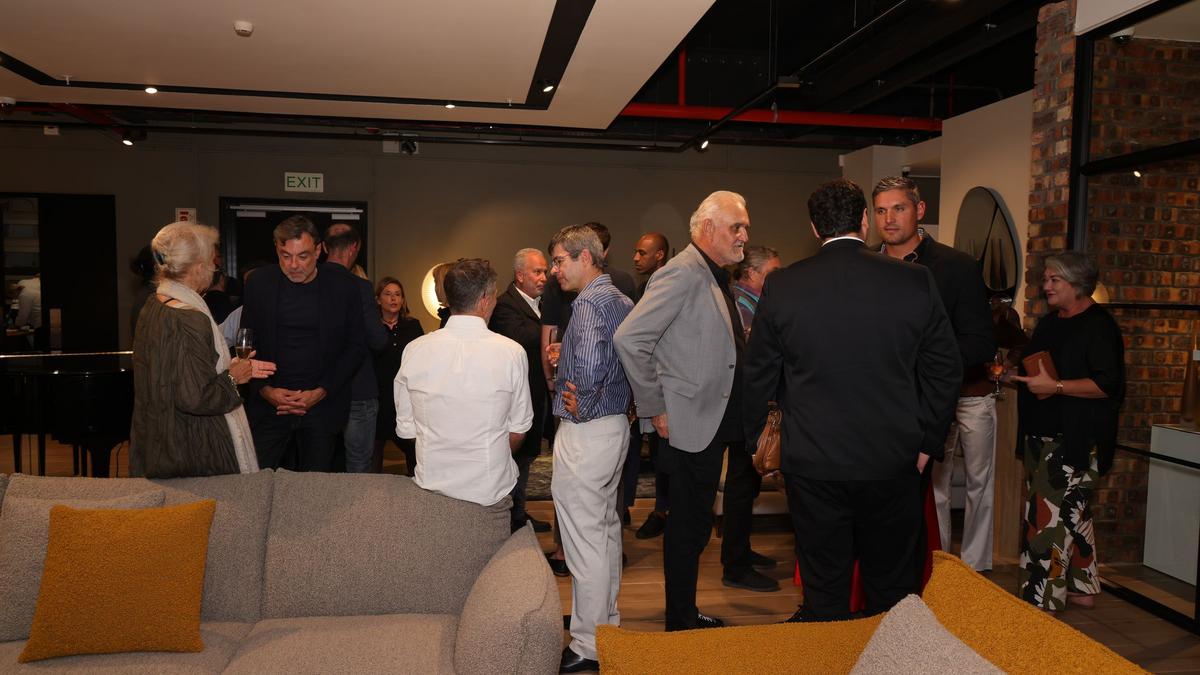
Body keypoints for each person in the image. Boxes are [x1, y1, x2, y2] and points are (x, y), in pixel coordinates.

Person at [743, 179, 960, 621]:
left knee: (825, 590)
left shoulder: (783, 285)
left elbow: (757, 375)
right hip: (892, 458)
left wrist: (754, 442)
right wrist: (927, 442)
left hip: (813, 461)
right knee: (891, 589)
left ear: (814, 227)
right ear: (864, 220)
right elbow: (945, 369)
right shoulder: (914, 280)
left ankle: (830, 652)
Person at [614, 190, 751, 632]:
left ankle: (684, 612)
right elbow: (629, 339)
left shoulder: (711, 273)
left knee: (693, 525)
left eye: (745, 227)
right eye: (736, 227)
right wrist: (656, 406)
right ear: (708, 228)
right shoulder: (682, 272)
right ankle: (681, 619)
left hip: (710, 420)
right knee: (688, 527)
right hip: (688, 422)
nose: (744, 235)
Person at [874, 176, 996, 572]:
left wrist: (928, 366)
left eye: (899, 208)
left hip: (956, 394)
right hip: (894, 406)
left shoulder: (956, 266)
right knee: (930, 493)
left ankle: (972, 571)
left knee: (972, 485)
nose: (889, 219)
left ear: (919, 210)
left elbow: (980, 341)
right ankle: (935, 568)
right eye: (881, 210)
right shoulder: (867, 265)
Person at [1010, 251, 1124, 612]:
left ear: (1077, 283)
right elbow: (1038, 366)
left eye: (1054, 280)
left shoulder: (1099, 326)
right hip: (1041, 437)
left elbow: (1107, 385)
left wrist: (1056, 387)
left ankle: (1040, 601)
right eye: (1046, 279)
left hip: (1074, 440)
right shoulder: (1051, 322)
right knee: (1072, 511)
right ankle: (1082, 587)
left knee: (1047, 523)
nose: (1046, 286)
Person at [549, 225, 634, 673]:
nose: (554, 269)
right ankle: (605, 628)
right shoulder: (620, 299)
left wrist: (578, 396)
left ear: (585, 257)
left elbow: (590, 366)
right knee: (603, 534)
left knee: (584, 543)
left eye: (559, 260)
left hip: (587, 432)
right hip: (615, 427)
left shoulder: (586, 303)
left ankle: (587, 645)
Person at [130, 222, 275, 478]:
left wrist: (226, 368)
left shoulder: (153, 304)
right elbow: (195, 397)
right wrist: (234, 377)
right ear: (198, 267)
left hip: (160, 440)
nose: (214, 268)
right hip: (193, 450)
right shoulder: (189, 318)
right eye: (212, 262)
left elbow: (181, 377)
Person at [394, 258, 532, 506]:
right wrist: (488, 456)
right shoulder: (511, 353)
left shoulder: (415, 350)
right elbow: (518, 430)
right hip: (489, 492)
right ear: (485, 299)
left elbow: (407, 428)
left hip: (432, 487)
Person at [240, 215, 366, 472]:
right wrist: (265, 390)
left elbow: (355, 347)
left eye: (303, 256)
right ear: (276, 249)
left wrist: (320, 392)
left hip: (322, 407)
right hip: (270, 406)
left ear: (318, 251)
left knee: (315, 487)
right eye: (286, 256)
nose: (294, 265)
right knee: (258, 481)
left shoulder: (345, 287)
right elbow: (246, 342)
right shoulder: (259, 283)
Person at [720, 244, 784, 593]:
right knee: (742, 484)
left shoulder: (755, 301)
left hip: (750, 404)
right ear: (751, 274)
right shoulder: (741, 305)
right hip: (743, 406)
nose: (778, 278)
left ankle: (740, 551)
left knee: (747, 483)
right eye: (772, 273)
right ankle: (735, 566)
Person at [489, 247, 552, 532]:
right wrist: (553, 331)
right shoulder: (505, 305)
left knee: (526, 459)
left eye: (545, 271)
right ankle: (508, 517)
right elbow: (522, 337)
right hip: (515, 399)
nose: (544, 277)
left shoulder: (544, 303)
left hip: (537, 395)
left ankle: (518, 513)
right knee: (513, 459)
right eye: (537, 272)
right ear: (520, 276)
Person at [324, 223, 389, 473]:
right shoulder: (359, 287)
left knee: (319, 463)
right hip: (358, 387)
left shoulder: (309, 283)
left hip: (318, 387)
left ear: (323, 248)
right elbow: (378, 340)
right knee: (358, 465)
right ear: (354, 247)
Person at [626, 232, 672, 539]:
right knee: (657, 453)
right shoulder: (645, 287)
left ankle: (664, 512)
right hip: (651, 381)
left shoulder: (669, 285)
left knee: (666, 455)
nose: (636, 258)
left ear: (660, 255)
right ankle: (661, 510)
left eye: (642, 253)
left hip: (669, 384)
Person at [373, 277, 424, 475]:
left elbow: (421, 359)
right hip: (378, 394)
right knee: (375, 447)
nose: (393, 299)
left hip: (405, 395)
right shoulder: (372, 327)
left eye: (397, 294)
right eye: (387, 294)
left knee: (412, 447)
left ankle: (415, 486)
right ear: (378, 299)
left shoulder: (412, 326)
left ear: (403, 300)